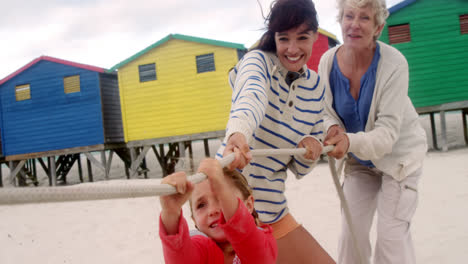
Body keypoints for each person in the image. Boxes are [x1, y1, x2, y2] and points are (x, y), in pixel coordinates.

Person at [216, 0, 335, 263]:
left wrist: (309, 148)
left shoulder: (317, 89)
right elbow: (251, 95)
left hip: (272, 209)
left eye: (302, 37)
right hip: (228, 205)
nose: (292, 49)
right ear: (274, 37)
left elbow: (300, 170)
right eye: (284, 39)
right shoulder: (256, 62)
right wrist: (239, 133)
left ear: (316, 35)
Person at [318, 0, 428, 263]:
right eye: (349, 16)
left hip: (400, 159)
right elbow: (323, 111)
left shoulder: (394, 64)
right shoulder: (327, 61)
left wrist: (347, 140)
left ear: (378, 27)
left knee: (391, 240)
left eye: (364, 18)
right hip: (359, 162)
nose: (354, 24)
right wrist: (331, 127)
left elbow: (387, 135)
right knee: (350, 237)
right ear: (340, 20)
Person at [159, 158, 277, 264]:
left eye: (221, 198)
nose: (212, 210)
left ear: (249, 204)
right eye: (201, 205)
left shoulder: (264, 241)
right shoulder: (201, 247)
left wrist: (221, 187)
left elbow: (257, 255)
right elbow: (182, 258)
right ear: (194, 219)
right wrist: (171, 213)